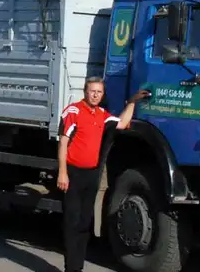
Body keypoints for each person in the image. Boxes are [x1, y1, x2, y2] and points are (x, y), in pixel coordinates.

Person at [56, 78, 150, 272]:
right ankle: (70, 268)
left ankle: (77, 267)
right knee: (72, 223)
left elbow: (123, 123)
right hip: (73, 174)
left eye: (99, 92)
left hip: (91, 174)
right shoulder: (73, 111)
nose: (96, 95)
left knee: (84, 223)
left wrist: (131, 101)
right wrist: (62, 173)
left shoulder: (102, 115)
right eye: (92, 91)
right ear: (85, 91)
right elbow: (63, 143)